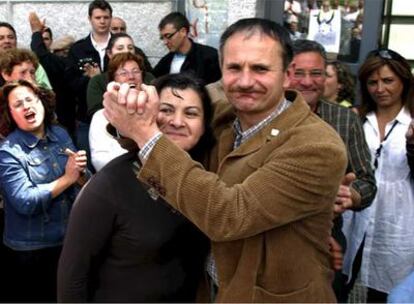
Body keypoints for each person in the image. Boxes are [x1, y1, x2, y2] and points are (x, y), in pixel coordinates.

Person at [103, 18, 347, 302]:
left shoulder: (317, 146)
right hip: (214, 288)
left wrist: (144, 133)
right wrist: (128, 115)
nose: (245, 81)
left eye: (260, 68)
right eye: (234, 68)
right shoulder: (223, 115)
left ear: (287, 75)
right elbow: (166, 117)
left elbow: (229, 215)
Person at [58, 73, 211, 302]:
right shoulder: (108, 187)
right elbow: (72, 280)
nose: (177, 121)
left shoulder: (207, 178)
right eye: (166, 110)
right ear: (148, 113)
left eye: (191, 113)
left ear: (205, 125)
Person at [288, 39, 376, 301]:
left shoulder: (344, 119)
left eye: (316, 73)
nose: (307, 82)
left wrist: (353, 196)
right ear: (284, 74)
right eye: (298, 73)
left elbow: (366, 181)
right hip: (274, 237)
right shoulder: (267, 116)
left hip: (327, 239)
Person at [0, 80, 88, 302]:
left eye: (30, 99)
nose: (27, 106)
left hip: (68, 241)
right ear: (10, 114)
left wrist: (81, 173)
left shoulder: (59, 134)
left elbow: (79, 178)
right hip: (32, 251)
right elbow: (25, 200)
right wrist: (68, 177)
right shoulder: (8, 152)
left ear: (42, 101)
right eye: (18, 104)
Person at [342, 48, 414, 303]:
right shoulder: (357, 118)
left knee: (387, 291)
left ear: (404, 81)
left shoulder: (412, 121)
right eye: (372, 82)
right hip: (355, 212)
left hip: (398, 218)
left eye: (388, 81)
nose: (380, 88)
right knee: (341, 280)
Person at [65, 0, 112, 160]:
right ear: (90, 19)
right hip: (86, 118)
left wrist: (100, 78)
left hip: (119, 118)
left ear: (111, 18)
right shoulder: (77, 49)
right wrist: (90, 80)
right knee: (87, 165)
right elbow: (69, 84)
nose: (102, 21)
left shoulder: (121, 45)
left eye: (106, 17)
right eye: (98, 17)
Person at [89, 52, 145, 171]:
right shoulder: (101, 117)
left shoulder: (152, 110)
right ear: (113, 80)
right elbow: (100, 160)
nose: (131, 77)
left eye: (136, 71)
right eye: (124, 73)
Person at [29, 12, 77, 138]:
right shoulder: (28, 64)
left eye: (46, 39)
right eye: (41, 38)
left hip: (62, 120)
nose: (43, 42)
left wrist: (36, 32)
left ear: (51, 41)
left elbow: (41, 54)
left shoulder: (59, 63)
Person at [87, 33, 154, 117]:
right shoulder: (98, 81)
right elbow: (96, 113)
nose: (126, 51)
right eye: (120, 48)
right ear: (109, 53)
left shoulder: (148, 77)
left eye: (130, 48)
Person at [153, 12, 221, 85]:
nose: (165, 42)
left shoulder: (209, 57)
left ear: (183, 32)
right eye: (162, 38)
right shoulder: (165, 61)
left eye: (168, 36)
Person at [0, 22, 52, 90]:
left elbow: (46, 93)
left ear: (16, 40)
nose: (7, 41)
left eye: (11, 37)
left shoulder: (31, 63)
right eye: (1, 38)